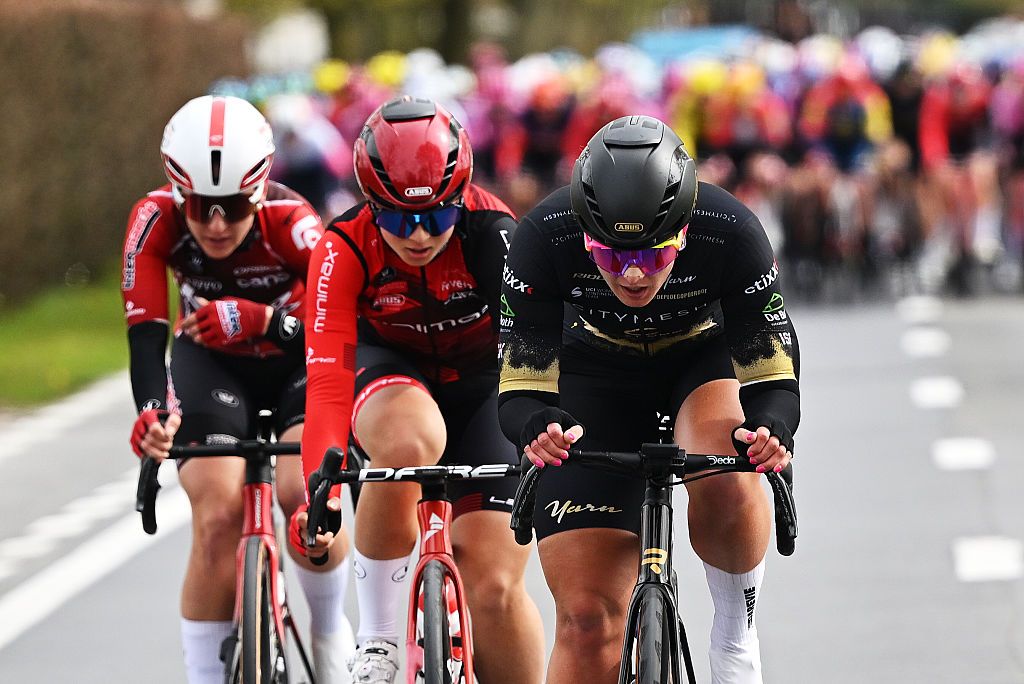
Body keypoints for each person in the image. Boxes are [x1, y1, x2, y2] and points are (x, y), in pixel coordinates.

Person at [498, 115, 801, 684]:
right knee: (587, 623)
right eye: (611, 256)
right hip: (592, 374)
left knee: (727, 469)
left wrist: (770, 429)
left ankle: (735, 637)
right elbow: (520, 389)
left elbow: (773, 376)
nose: (633, 275)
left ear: (684, 232)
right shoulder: (544, 236)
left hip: (699, 362)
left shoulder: (730, 230)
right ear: (585, 233)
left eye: (654, 255)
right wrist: (538, 424)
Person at [289, 96, 545, 684]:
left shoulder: (493, 232)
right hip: (389, 373)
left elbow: (527, 357)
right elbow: (326, 385)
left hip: (483, 387)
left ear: (461, 200)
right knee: (410, 439)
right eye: (400, 220)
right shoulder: (341, 246)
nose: (421, 234)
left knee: (497, 586)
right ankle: (378, 640)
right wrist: (318, 488)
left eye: (437, 215)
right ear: (369, 204)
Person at [122, 95, 354, 684]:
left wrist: (265, 320)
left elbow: (340, 326)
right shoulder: (152, 220)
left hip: (296, 358)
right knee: (217, 514)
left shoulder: (293, 221)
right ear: (178, 195)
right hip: (211, 366)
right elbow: (145, 332)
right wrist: (150, 415)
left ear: (260, 193)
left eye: (233, 208)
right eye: (201, 208)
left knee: (302, 493)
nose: (217, 225)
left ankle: (329, 632)